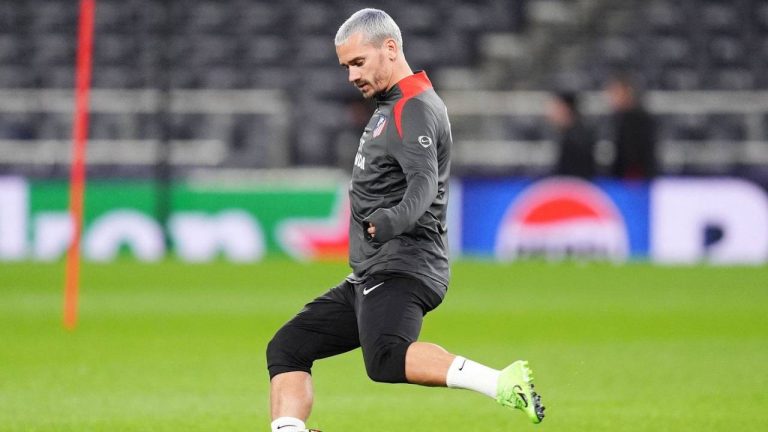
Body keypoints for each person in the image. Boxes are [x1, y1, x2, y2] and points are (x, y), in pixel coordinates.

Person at [266, 8, 545, 432]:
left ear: (390, 48)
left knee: (386, 358)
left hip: (404, 264)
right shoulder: (390, 105)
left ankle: (501, 383)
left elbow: (424, 183)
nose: (351, 76)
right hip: (371, 271)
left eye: (358, 62)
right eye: (346, 67)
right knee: (288, 346)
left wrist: (392, 220)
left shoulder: (413, 108)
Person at [606, 74, 658, 179]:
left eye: (616, 93)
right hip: (621, 180)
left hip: (635, 181)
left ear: (626, 93)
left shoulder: (639, 120)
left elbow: (637, 153)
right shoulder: (617, 119)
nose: (611, 98)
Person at [547, 91, 597, 178]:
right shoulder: (570, 135)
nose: (551, 114)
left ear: (565, 109)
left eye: (555, 108)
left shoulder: (577, 139)